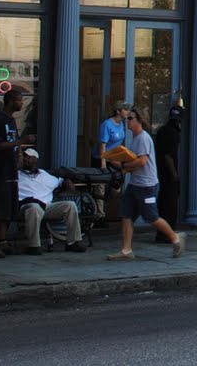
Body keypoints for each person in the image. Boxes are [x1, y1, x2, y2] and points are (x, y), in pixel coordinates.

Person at [105, 109, 186, 260]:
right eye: (126, 119)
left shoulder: (143, 138)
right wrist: (124, 169)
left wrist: (122, 165)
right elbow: (135, 163)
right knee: (126, 214)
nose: (127, 121)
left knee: (152, 217)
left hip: (146, 186)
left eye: (130, 118)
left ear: (139, 120)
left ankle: (175, 238)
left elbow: (142, 161)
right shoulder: (135, 139)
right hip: (135, 184)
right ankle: (126, 250)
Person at [0, 89, 32, 258]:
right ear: (11, 101)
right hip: (0, 171)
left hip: (11, 170)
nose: (22, 103)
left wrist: (19, 154)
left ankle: (3, 240)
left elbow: (14, 142)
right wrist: (21, 142)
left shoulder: (11, 121)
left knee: (8, 208)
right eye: (19, 101)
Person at [16, 148, 86, 253]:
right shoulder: (17, 174)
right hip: (27, 206)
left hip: (46, 207)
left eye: (29, 157)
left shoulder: (43, 174)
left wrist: (67, 181)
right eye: (24, 157)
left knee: (70, 205)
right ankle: (34, 246)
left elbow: (60, 182)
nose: (26, 159)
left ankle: (73, 243)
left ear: (35, 160)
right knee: (34, 207)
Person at [154, 104, 184, 237]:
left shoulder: (161, 131)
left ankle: (161, 232)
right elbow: (168, 156)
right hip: (169, 174)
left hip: (160, 172)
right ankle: (167, 232)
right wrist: (174, 173)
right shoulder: (173, 133)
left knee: (163, 202)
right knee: (170, 204)